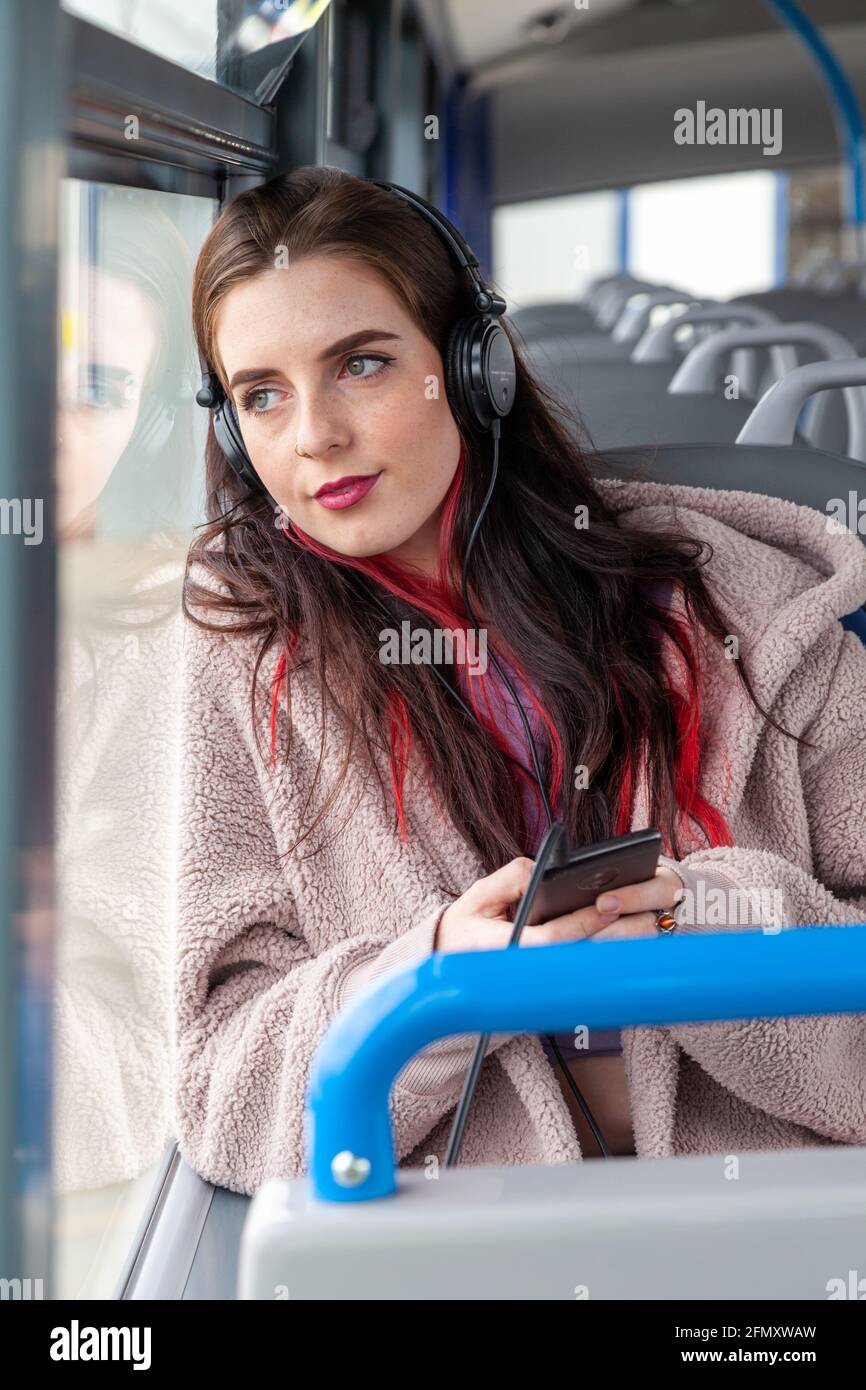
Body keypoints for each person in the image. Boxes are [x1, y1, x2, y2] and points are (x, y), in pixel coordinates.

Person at [173, 165, 866, 1197]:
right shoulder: (245, 662)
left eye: (360, 363)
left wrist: (691, 924)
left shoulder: (745, 609)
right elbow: (219, 1092)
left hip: (772, 1226)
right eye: (260, 395)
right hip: (475, 1249)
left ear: (470, 368)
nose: (311, 434)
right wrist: (436, 973)